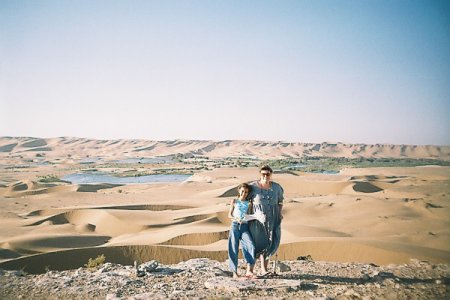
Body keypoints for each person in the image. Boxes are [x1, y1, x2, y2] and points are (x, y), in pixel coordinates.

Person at [248, 165, 284, 276]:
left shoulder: (277, 187)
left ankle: (264, 269)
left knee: (269, 242)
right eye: (263, 174)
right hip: (257, 221)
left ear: (271, 174)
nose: (265, 176)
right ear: (260, 174)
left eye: (267, 174)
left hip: (272, 219)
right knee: (255, 243)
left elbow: (280, 203)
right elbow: (244, 201)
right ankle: (250, 270)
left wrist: (279, 214)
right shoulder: (252, 187)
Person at [227, 183, 256, 279]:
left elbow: (251, 215)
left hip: (245, 227)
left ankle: (249, 270)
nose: (244, 193)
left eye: (246, 192)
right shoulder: (234, 201)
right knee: (233, 248)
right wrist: (236, 219)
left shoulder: (249, 203)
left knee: (250, 245)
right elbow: (229, 215)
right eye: (242, 191)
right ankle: (234, 272)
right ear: (239, 191)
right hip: (235, 226)